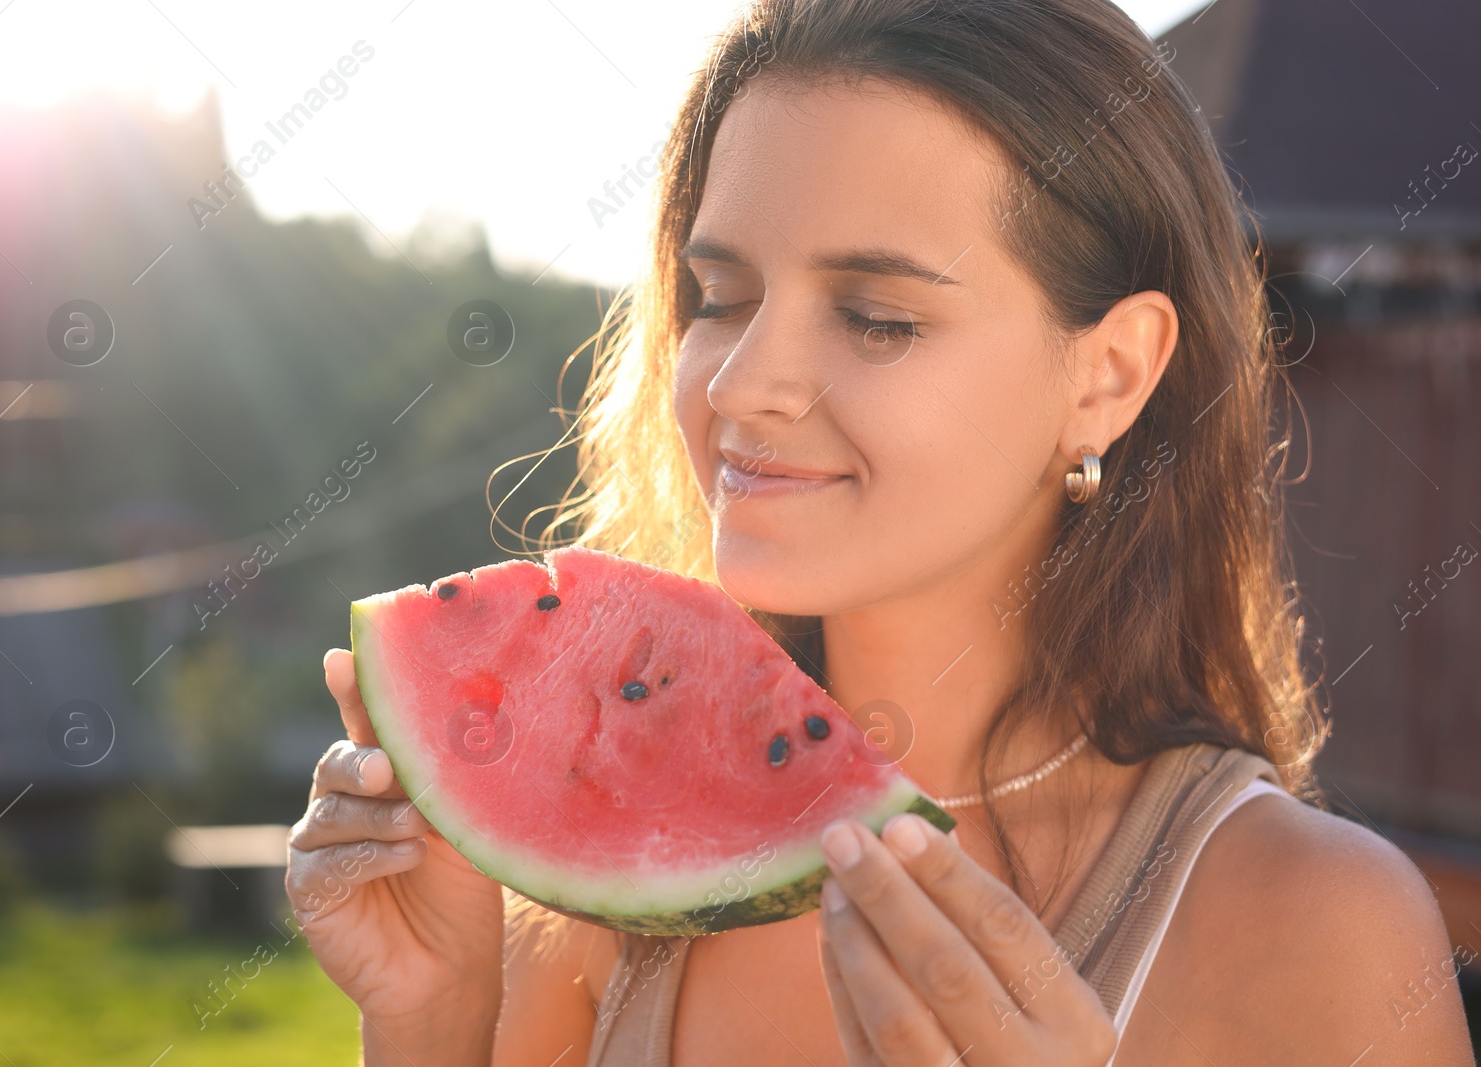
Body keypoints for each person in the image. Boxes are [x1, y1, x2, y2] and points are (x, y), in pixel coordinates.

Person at [285, 0, 1476, 1063]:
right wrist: (429, 1019)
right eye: (722, 296)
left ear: (1107, 374)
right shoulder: (596, 877)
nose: (745, 381)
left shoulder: (1313, 927)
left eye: (877, 317)